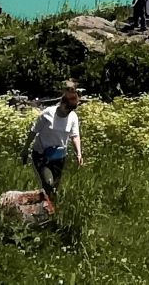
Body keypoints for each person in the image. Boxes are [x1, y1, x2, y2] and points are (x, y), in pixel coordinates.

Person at [26, 82, 85, 210]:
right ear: (62, 104)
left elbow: (75, 136)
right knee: (48, 183)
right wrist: (25, 150)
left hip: (59, 157)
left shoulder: (73, 117)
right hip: (42, 155)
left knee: (55, 187)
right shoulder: (48, 114)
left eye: (71, 110)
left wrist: (78, 153)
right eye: (68, 108)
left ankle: (50, 210)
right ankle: (45, 210)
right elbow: (33, 132)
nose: (69, 112)